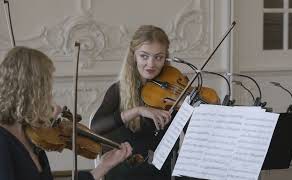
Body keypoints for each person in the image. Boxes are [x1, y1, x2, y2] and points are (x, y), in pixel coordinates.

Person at [0, 46, 132, 180]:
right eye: (47, 89)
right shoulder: (3, 141)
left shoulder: (29, 134)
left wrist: (104, 166)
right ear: (33, 92)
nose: (49, 97)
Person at [91, 25, 175, 180]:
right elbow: (96, 127)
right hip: (126, 173)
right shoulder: (118, 91)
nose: (151, 64)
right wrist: (137, 111)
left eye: (158, 57)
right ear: (133, 56)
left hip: (161, 174)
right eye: (144, 56)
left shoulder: (171, 92)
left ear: (165, 58)